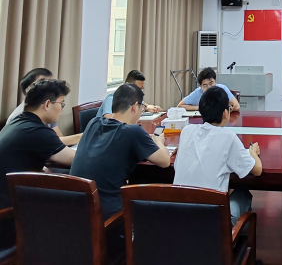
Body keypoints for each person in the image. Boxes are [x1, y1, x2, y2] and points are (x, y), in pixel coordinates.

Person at [70, 83, 170, 219]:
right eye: (142, 108)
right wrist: (158, 141)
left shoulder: (93, 122)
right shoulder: (133, 131)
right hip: (109, 216)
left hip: (76, 211)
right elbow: (165, 161)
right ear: (135, 106)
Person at [174, 86, 262, 226]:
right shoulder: (228, 136)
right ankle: (236, 233)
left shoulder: (187, 131)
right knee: (242, 193)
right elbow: (257, 170)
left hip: (179, 218)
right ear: (225, 113)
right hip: (212, 224)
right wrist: (252, 153)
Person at [0, 79, 77, 209]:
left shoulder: (18, 121)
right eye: (61, 104)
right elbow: (77, 159)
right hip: (10, 206)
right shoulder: (37, 131)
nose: (61, 109)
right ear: (47, 104)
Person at [7, 68, 82, 146]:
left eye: (49, 82)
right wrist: (84, 136)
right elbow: (46, 143)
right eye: (42, 82)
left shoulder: (49, 110)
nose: (48, 86)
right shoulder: (20, 116)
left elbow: (57, 139)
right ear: (28, 90)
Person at [96, 70, 162, 118]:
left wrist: (154, 108)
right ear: (127, 85)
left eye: (141, 89)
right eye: (137, 88)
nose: (140, 92)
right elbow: (108, 118)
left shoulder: (133, 98)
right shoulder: (111, 99)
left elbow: (145, 106)